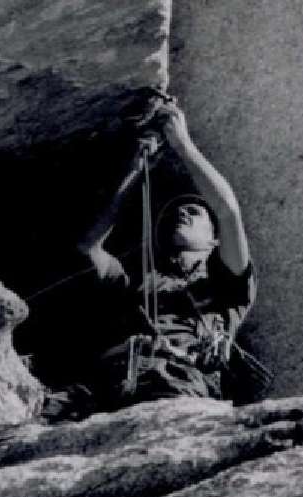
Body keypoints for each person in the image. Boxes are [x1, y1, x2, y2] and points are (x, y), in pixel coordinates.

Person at [39, 102, 255, 422]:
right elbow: (88, 249)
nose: (181, 213)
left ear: (215, 241)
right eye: (172, 216)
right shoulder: (136, 283)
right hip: (109, 385)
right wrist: (135, 167)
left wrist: (181, 142)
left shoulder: (227, 291)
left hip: (180, 383)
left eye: (195, 213)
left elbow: (227, 211)